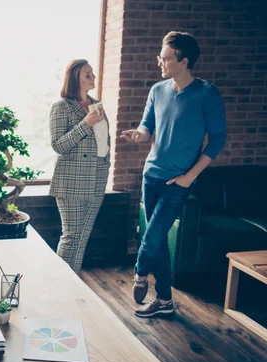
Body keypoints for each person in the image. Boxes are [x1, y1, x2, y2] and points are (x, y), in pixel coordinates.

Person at [121, 31, 226, 318]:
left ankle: (140, 274)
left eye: (166, 58)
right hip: (151, 175)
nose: (161, 62)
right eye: (161, 57)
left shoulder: (207, 93)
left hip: (178, 181)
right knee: (157, 240)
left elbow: (217, 139)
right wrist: (138, 135)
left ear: (184, 61)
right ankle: (165, 301)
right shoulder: (157, 90)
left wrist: (190, 176)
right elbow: (147, 127)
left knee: (152, 238)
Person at [49, 59, 110, 274]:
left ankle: (74, 284)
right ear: (75, 78)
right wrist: (84, 125)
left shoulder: (96, 104)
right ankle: (60, 283)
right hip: (72, 180)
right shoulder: (61, 107)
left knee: (83, 236)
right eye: (87, 74)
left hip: (97, 178)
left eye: (92, 73)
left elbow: (103, 142)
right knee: (71, 236)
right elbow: (58, 145)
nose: (93, 77)